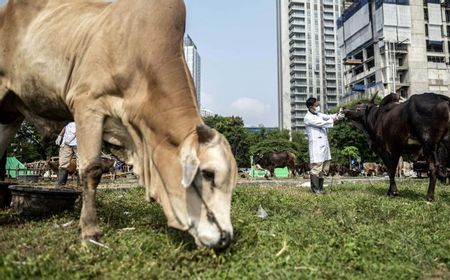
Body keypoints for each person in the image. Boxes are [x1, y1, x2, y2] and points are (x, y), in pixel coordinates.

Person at [304, 97, 344, 193]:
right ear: (310, 107)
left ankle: (320, 189)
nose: (318, 107)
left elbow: (329, 117)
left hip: (324, 147)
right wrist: (337, 119)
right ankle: (315, 189)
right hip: (316, 147)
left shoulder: (318, 114)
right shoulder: (308, 118)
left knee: (324, 169)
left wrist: (339, 114)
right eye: (316, 105)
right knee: (316, 168)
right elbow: (324, 123)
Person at [55, 122, 78, 187]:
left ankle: (81, 186)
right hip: (66, 143)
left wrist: (73, 135)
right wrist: (60, 135)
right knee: (63, 164)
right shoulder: (67, 115)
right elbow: (66, 126)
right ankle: (61, 185)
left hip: (79, 142)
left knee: (81, 164)